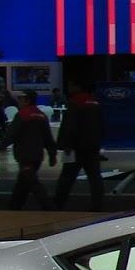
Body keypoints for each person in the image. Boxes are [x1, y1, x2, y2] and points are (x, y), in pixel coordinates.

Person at [54, 78, 105, 209]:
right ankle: (98, 205)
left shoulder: (74, 102)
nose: (69, 88)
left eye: (70, 85)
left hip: (75, 147)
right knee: (95, 177)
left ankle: (58, 204)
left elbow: (69, 126)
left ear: (77, 86)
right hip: (92, 147)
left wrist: (64, 144)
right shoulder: (95, 102)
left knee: (67, 177)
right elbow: (100, 124)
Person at [3, 90, 57, 210]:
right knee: (23, 183)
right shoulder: (41, 116)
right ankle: (13, 208)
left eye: (21, 99)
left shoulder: (22, 115)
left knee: (33, 183)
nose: (18, 101)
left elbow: (11, 134)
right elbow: (48, 137)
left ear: (27, 100)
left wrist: (1, 146)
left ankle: (49, 208)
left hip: (25, 155)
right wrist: (52, 154)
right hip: (37, 156)